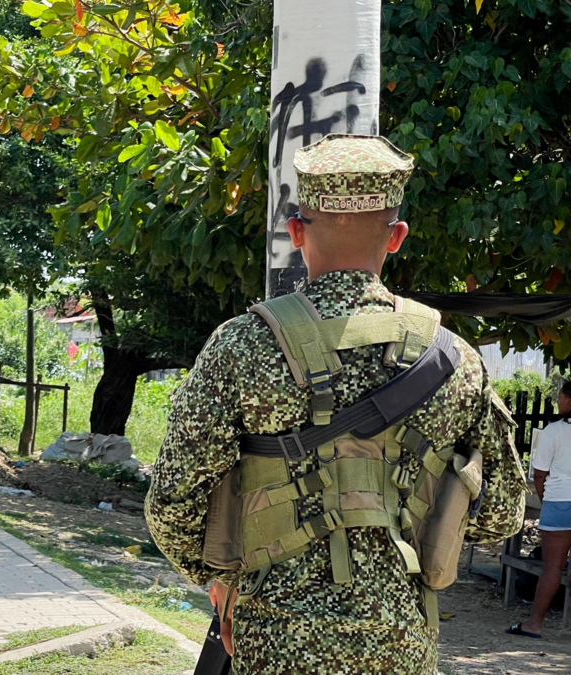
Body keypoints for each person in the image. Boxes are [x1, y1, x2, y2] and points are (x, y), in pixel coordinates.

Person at [145, 134, 527, 674]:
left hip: (274, 635)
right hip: (401, 638)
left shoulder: (241, 345)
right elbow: (501, 513)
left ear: (297, 231)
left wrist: (221, 580)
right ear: (396, 237)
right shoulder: (455, 359)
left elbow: (173, 503)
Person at [508, 380, 571, 638]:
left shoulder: (554, 431)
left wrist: (546, 501)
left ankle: (534, 623)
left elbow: (540, 475)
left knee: (552, 567)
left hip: (559, 500)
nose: (557, 401)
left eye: (560, 396)